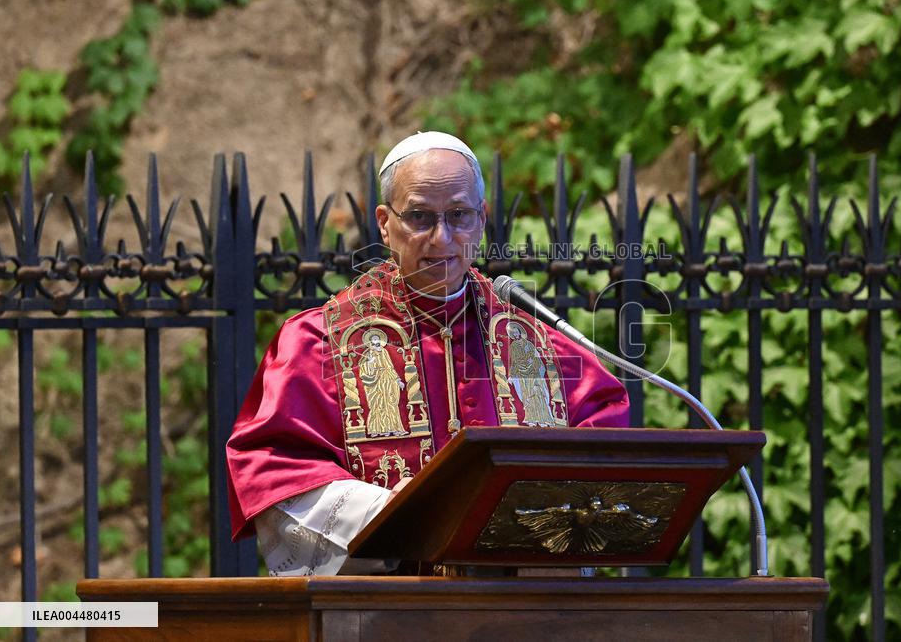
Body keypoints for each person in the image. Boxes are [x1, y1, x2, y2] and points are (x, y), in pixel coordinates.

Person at [226, 131, 630, 576]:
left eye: (459, 215)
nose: (442, 238)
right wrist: (408, 517)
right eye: (419, 216)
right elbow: (275, 469)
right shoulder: (315, 342)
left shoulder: (541, 343)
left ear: (481, 219)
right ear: (384, 222)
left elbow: (605, 458)